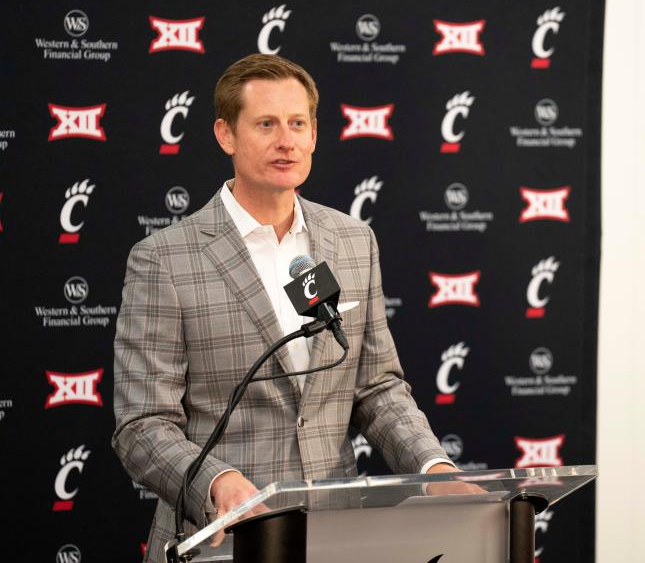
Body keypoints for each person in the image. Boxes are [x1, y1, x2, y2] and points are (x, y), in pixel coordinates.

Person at [113, 54, 457, 563]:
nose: (286, 140)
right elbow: (142, 424)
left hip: (332, 538)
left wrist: (433, 467)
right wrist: (218, 483)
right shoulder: (163, 260)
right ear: (226, 135)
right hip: (221, 540)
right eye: (266, 124)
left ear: (315, 134)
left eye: (298, 124)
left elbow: (377, 387)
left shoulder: (352, 240)